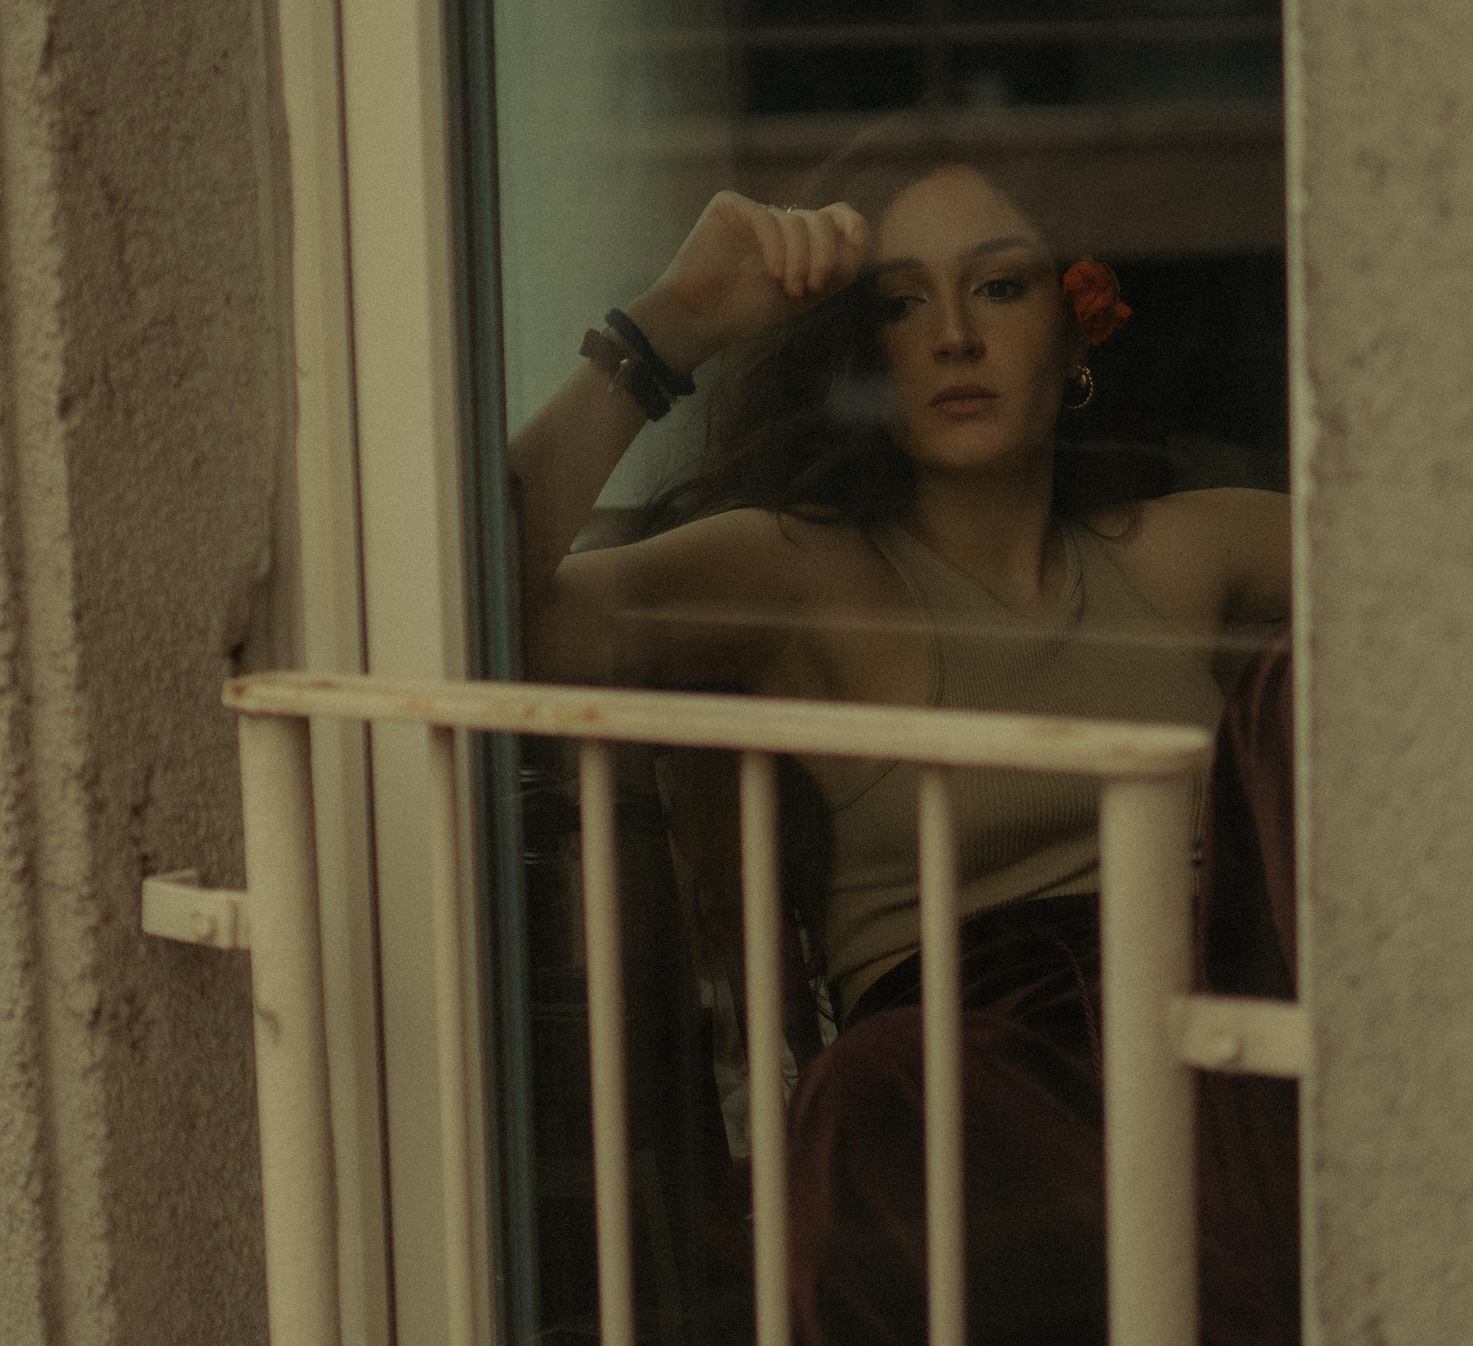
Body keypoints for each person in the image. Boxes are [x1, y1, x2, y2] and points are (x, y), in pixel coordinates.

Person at [506, 161, 1296, 1345]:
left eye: (1001, 287)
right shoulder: (803, 572)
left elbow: (1451, 557)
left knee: (1297, 689)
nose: (955, 336)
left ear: (1075, 331)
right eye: (903, 301)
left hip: (1219, 1050)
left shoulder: (1183, 551)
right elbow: (486, 612)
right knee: (874, 1087)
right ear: (863, 355)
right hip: (969, 1107)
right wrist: (671, 326)